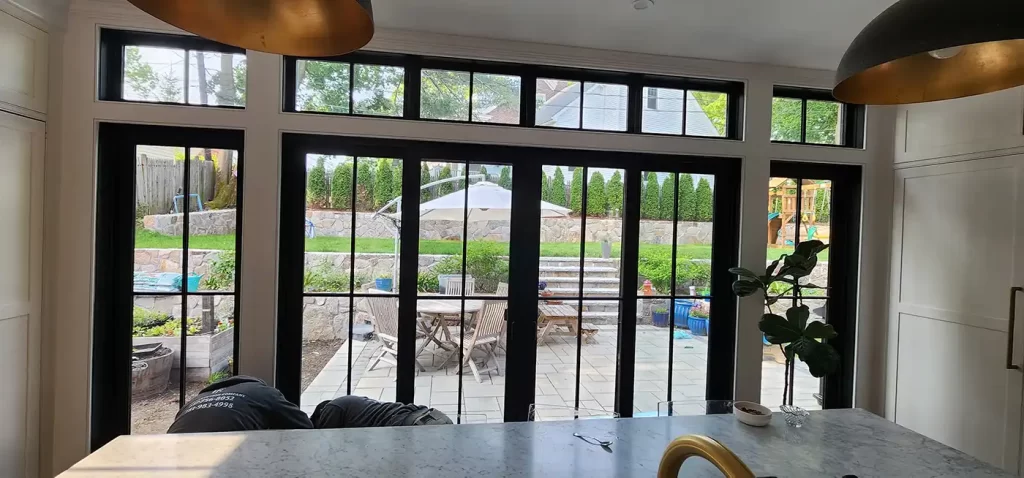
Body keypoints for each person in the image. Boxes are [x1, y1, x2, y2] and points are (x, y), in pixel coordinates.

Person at [167, 375, 312, 433]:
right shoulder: (262, 392)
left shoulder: (193, 401)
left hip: (172, 456)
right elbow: (304, 426)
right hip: (225, 456)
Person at [311, 395, 453, 429]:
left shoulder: (332, 408)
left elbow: (326, 440)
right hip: (434, 417)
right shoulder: (353, 404)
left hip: (416, 426)